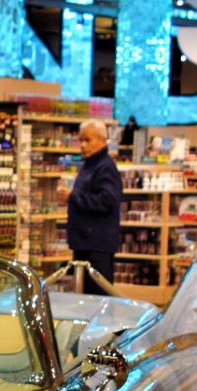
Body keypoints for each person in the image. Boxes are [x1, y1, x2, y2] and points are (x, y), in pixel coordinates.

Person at [61, 118, 123, 290]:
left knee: (97, 297)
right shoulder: (89, 164)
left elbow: (107, 201)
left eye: (87, 140)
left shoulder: (105, 167)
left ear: (102, 140)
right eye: (80, 140)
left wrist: (74, 197)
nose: (82, 145)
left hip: (97, 247)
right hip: (84, 243)